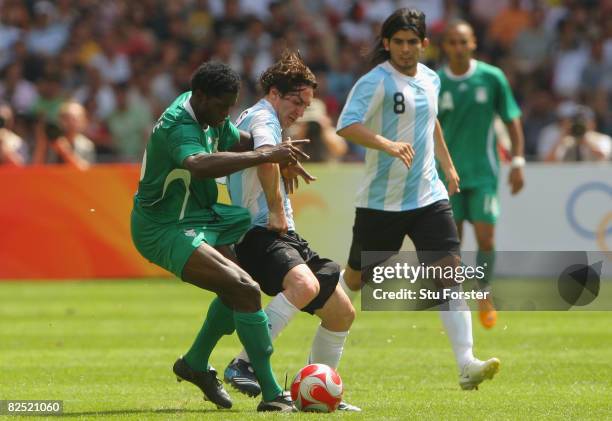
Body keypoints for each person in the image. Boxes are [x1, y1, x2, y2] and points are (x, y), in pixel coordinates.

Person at [130, 61, 309, 412]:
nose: (226, 114)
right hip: (163, 227)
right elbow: (197, 164)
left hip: (201, 216)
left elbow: (239, 141)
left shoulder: (208, 111)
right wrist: (265, 153)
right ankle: (272, 394)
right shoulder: (179, 125)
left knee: (238, 287)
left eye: (230, 106)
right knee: (244, 288)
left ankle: (195, 363)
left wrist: (274, 152)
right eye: (221, 106)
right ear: (200, 96)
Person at [336, 8, 499, 390]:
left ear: (424, 44)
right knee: (356, 279)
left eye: (413, 42)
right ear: (387, 44)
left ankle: (466, 363)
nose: (406, 49)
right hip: (382, 201)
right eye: (399, 43)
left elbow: (431, 123)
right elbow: (346, 124)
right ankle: (322, 322)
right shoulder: (374, 81)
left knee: (448, 273)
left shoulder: (430, 78)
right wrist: (386, 143)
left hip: (428, 196)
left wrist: (448, 164)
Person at [224, 51, 360, 411]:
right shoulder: (263, 117)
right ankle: (243, 363)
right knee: (303, 286)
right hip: (259, 232)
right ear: (273, 93)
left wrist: (284, 167)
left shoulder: (269, 119)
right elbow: (267, 155)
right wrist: (274, 208)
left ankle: (322, 391)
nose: (301, 110)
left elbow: (270, 158)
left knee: (341, 312)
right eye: (297, 101)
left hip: (281, 235)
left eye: (306, 104)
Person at [438, 20, 526, 328]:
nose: (459, 48)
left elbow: (511, 119)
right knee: (453, 242)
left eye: (464, 41)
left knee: (486, 237)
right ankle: (455, 299)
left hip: (484, 173)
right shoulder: (434, 82)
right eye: (452, 42)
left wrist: (517, 162)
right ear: (445, 46)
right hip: (447, 175)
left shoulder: (491, 78)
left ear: (473, 43)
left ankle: (484, 292)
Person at [544, 105, 611, 162]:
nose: (580, 124)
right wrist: (563, 135)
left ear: (592, 123)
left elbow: (604, 158)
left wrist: (585, 140)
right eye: (575, 121)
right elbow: (548, 161)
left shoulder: (602, 139)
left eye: (584, 121)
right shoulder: (565, 141)